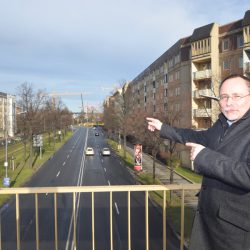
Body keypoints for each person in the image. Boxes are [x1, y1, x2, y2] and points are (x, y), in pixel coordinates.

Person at [146, 74, 250, 250]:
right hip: (209, 223)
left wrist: (205, 157)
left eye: (236, 96)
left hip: (234, 234)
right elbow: (197, 136)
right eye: (224, 97)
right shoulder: (224, 124)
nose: (229, 102)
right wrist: (164, 128)